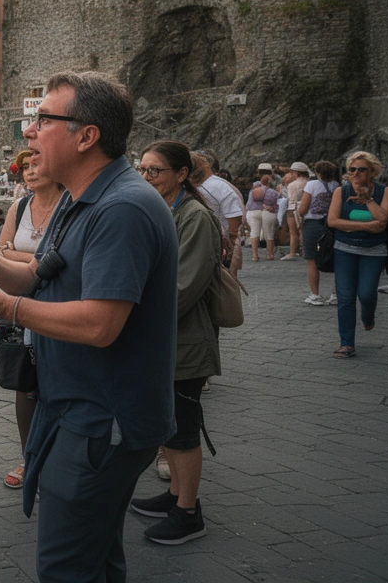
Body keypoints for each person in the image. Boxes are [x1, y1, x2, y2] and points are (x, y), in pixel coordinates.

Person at [0, 71, 177, 583]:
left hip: (101, 420)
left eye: (43, 120)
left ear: (87, 136)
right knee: (97, 560)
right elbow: (38, 276)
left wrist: (4, 310)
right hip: (74, 409)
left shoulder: (122, 208)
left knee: (65, 568)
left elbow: (101, 324)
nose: (30, 131)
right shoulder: (76, 198)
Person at [130, 141, 222, 545]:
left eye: (155, 171)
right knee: (169, 424)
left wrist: (132, 317)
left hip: (183, 340)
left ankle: (188, 512)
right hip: (164, 336)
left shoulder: (195, 216)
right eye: (143, 170)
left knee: (183, 428)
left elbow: (183, 287)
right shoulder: (166, 210)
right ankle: (174, 496)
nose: (146, 178)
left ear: (182, 174)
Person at [0, 150, 62, 489]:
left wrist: (18, 257)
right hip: (23, 301)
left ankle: (59, 461)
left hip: (62, 302)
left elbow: (62, 256)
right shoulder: (18, 207)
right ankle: (29, 458)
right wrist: (36, 259)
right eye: (24, 168)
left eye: (36, 164)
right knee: (26, 381)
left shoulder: (71, 204)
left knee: (59, 382)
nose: (29, 172)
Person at [326, 151, 388, 358]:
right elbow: (333, 221)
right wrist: (366, 226)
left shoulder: (385, 192)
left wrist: (368, 200)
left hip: (374, 251)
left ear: (372, 172)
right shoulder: (341, 191)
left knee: (366, 293)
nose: (355, 173)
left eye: (361, 169)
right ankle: (346, 343)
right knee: (345, 297)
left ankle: (368, 315)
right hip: (344, 249)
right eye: (351, 169)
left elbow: (383, 221)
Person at [192, 151, 243, 271]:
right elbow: (236, 219)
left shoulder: (220, 186)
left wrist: (230, 242)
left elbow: (235, 221)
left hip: (217, 242)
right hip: (216, 241)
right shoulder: (223, 186)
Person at [299, 161, 341, 305]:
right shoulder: (337, 186)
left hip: (313, 223)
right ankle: (335, 294)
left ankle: (315, 294)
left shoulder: (312, 185)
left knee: (312, 259)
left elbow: (303, 208)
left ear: (317, 172)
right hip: (331, 224)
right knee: (335, 258)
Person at [281, 163, 311, 259]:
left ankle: (292, 252)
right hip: (307, 207)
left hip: (293, 208)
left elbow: (291, 198)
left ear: (296, 172)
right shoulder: (309, 183)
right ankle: (305, 250)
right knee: (303, 230)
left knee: (293, 232)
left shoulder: (292, 185)